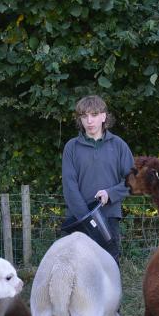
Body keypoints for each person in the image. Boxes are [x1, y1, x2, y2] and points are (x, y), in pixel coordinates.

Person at [60, 95, 134, 262]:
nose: (89, 121)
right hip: (78, 220)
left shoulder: (118, 145)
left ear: (104, 116)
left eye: (94, 115)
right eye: (84, 116)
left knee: (109, 270)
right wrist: (87, 219)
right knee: (79, 271)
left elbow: (133, 181)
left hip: (109, 218)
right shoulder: (71, 147)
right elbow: (69, 185)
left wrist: (111, 193)